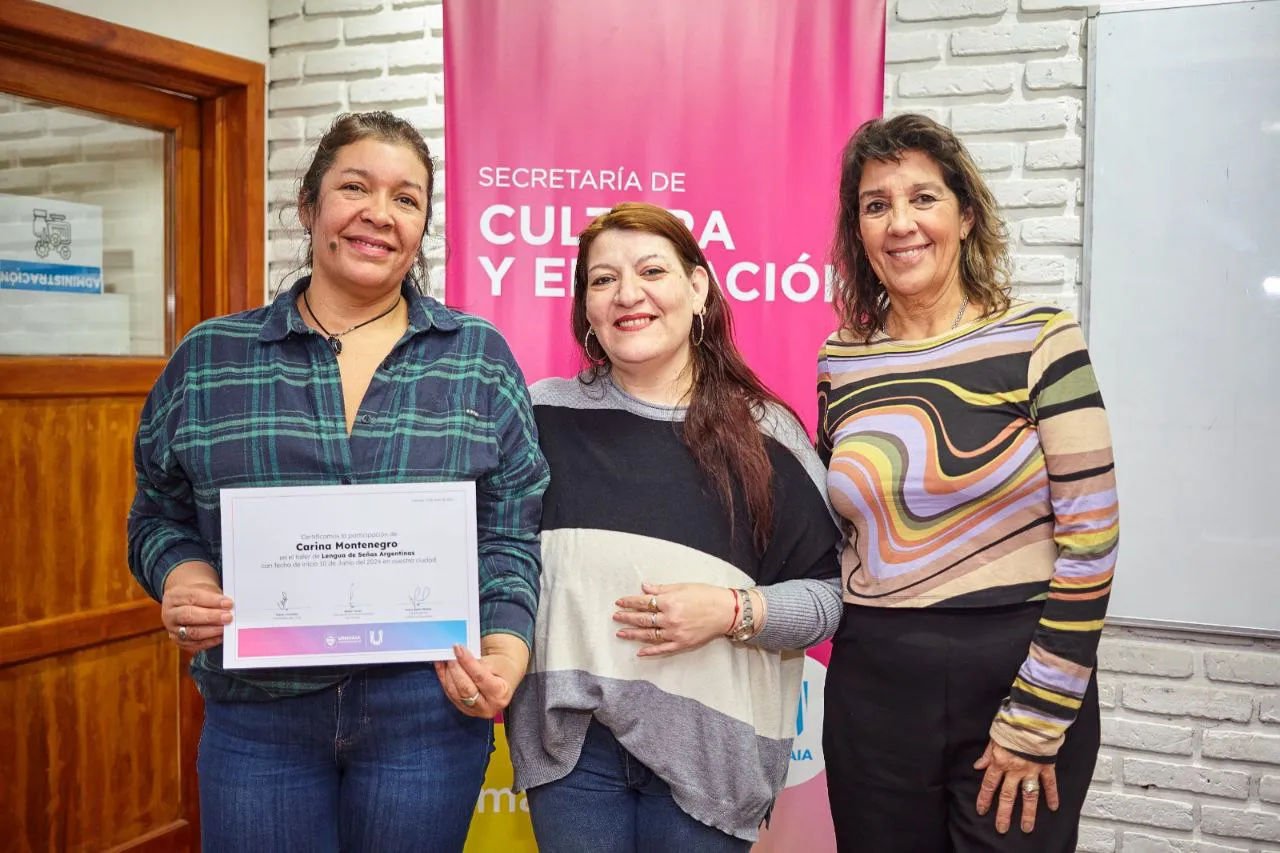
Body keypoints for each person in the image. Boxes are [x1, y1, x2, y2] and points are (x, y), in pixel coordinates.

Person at [126, 111, 549, 852]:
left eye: (407, 198)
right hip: (258, 719)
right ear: (310, 206)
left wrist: (506, 645)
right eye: (355, 186)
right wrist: (182, 575)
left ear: (423, 227)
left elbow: (510, 531)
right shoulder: (210, 358)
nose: (379, 214)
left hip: (428, 706)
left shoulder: (477, 358)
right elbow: (156, 513)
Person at [817, 112, 1119, 853]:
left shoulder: (1042, 338)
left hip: (1015, 675)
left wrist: (1038, 715)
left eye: (924, 197)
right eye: (876, 204)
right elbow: (850, 528)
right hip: (873, 688)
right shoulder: (841, 359)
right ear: (858, 229)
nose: (900, 223)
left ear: (966, 214)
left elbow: (1092, 544)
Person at [505, 202, 843, 851]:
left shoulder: (767, 434)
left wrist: (731, 609)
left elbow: (832, 597)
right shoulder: (538, 416)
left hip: (713, 764)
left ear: (697, 287)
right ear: (586, 309)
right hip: (573, 756)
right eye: (602, 280)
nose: (627, 294)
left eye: (651, 270)